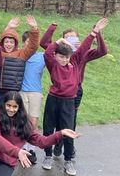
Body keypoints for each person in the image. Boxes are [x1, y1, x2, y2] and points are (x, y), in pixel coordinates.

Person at [0, 59, 80, 176]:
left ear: (19, 107)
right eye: (8, 105)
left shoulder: (24, 124)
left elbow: (42, 142)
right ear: (4, 104)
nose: (11, 109)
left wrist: (61, 133)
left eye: (14, 106)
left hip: (7, 160)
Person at [41, 18, 108, 176]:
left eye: (66, 57)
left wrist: (94, 32)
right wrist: (60, 40)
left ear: (71, 56)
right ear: (56, 55)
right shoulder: (53, 63)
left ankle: (68, 160)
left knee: (69, 131)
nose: (64, 60)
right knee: (49, 128)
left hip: (69, 102)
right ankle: (48, 156)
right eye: (61, 57)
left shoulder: (75, 61)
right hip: (53, 99)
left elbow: (84, 47)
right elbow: (47, 51)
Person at [0, 15, 39, 106]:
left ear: (15, 43)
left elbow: (33, 46)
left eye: (12, 42)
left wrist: (34, 29)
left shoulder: (21, 54)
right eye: (6, 42)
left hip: (12, 92)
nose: (9, 44)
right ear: (3, 43)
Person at [18, 30, 45, 162]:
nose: (30, 44)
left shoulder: (42, 56)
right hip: (21, 91)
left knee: (33, 121)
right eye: (28, 41)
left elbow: (58, 52)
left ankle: (32, 149)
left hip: (35, 92)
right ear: (24, 43)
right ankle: (23, 148)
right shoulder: (20, 54)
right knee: (22, 121)